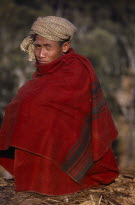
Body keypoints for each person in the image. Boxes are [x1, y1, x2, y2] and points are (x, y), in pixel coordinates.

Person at [0, 16, 119, 195]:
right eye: (38, 46)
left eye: (48, 47)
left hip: (64, 152)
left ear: (64, 47)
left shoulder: (76, 69)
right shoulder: (41, 76)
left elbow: (66, 115)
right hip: (37, 157)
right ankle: (33, 179)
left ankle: (52, 180)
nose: (41, 54)